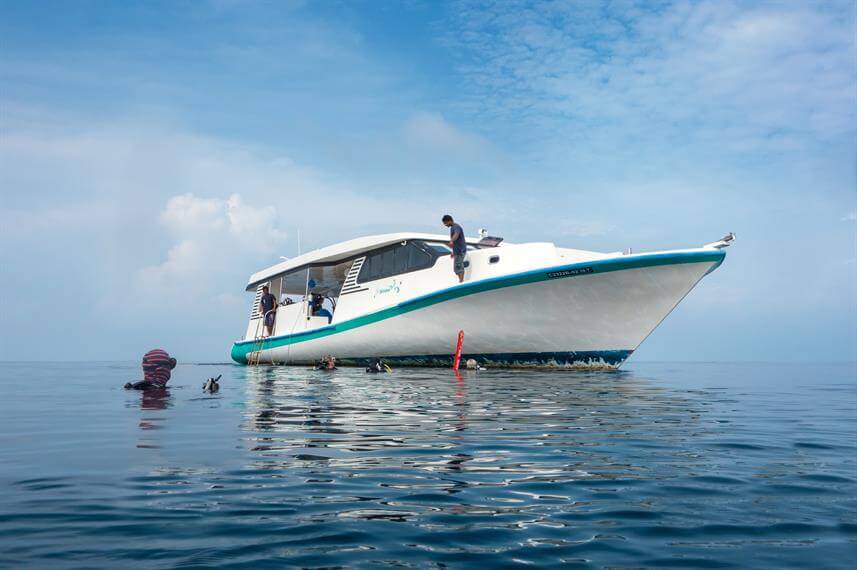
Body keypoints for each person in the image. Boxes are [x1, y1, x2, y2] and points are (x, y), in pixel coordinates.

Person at [442, 214, 467, 283]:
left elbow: (456, 234)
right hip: (457, 251)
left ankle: (461, 281)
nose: (445, 225)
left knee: (459, 266)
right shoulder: (452, 228)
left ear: (449, 221)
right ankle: (460, 280)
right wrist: (453, 251)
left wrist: (451, 241)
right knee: (456, 268)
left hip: (460, 250)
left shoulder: (456, 227)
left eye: (445, 223)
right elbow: (456, 241)